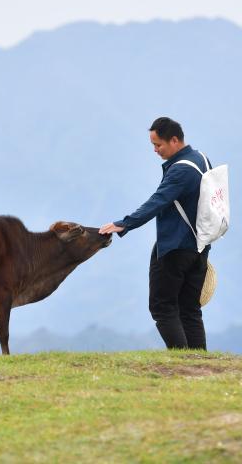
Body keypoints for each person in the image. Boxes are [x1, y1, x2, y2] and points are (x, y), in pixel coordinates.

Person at [99, 116, 211, 350]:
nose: (155, 150)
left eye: (158, 145)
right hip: (199, 246)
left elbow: (158, 201)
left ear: (174, 140)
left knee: (163, 308)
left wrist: (125, 223)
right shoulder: (201, 159)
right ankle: (201, 363)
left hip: (174, 248)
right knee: (190, 309)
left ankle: (184, 362)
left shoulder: (180, 170)